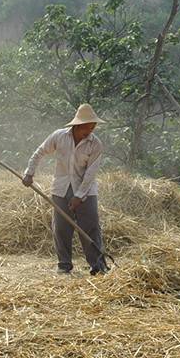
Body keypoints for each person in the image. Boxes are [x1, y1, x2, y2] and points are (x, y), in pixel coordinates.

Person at [23, 103, 107, 275]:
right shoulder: (59, 137)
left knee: (90, 227)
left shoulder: (95, 144)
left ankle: (98, 266)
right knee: (61, 228)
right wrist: (29, 173)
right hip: (61, 188)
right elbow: (39, 152)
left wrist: (79, 196)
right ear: (78, 125)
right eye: (88, 126)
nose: (91, 130)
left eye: (93, 126)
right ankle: (64, 264)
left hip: (86, 191)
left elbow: (90, 173)